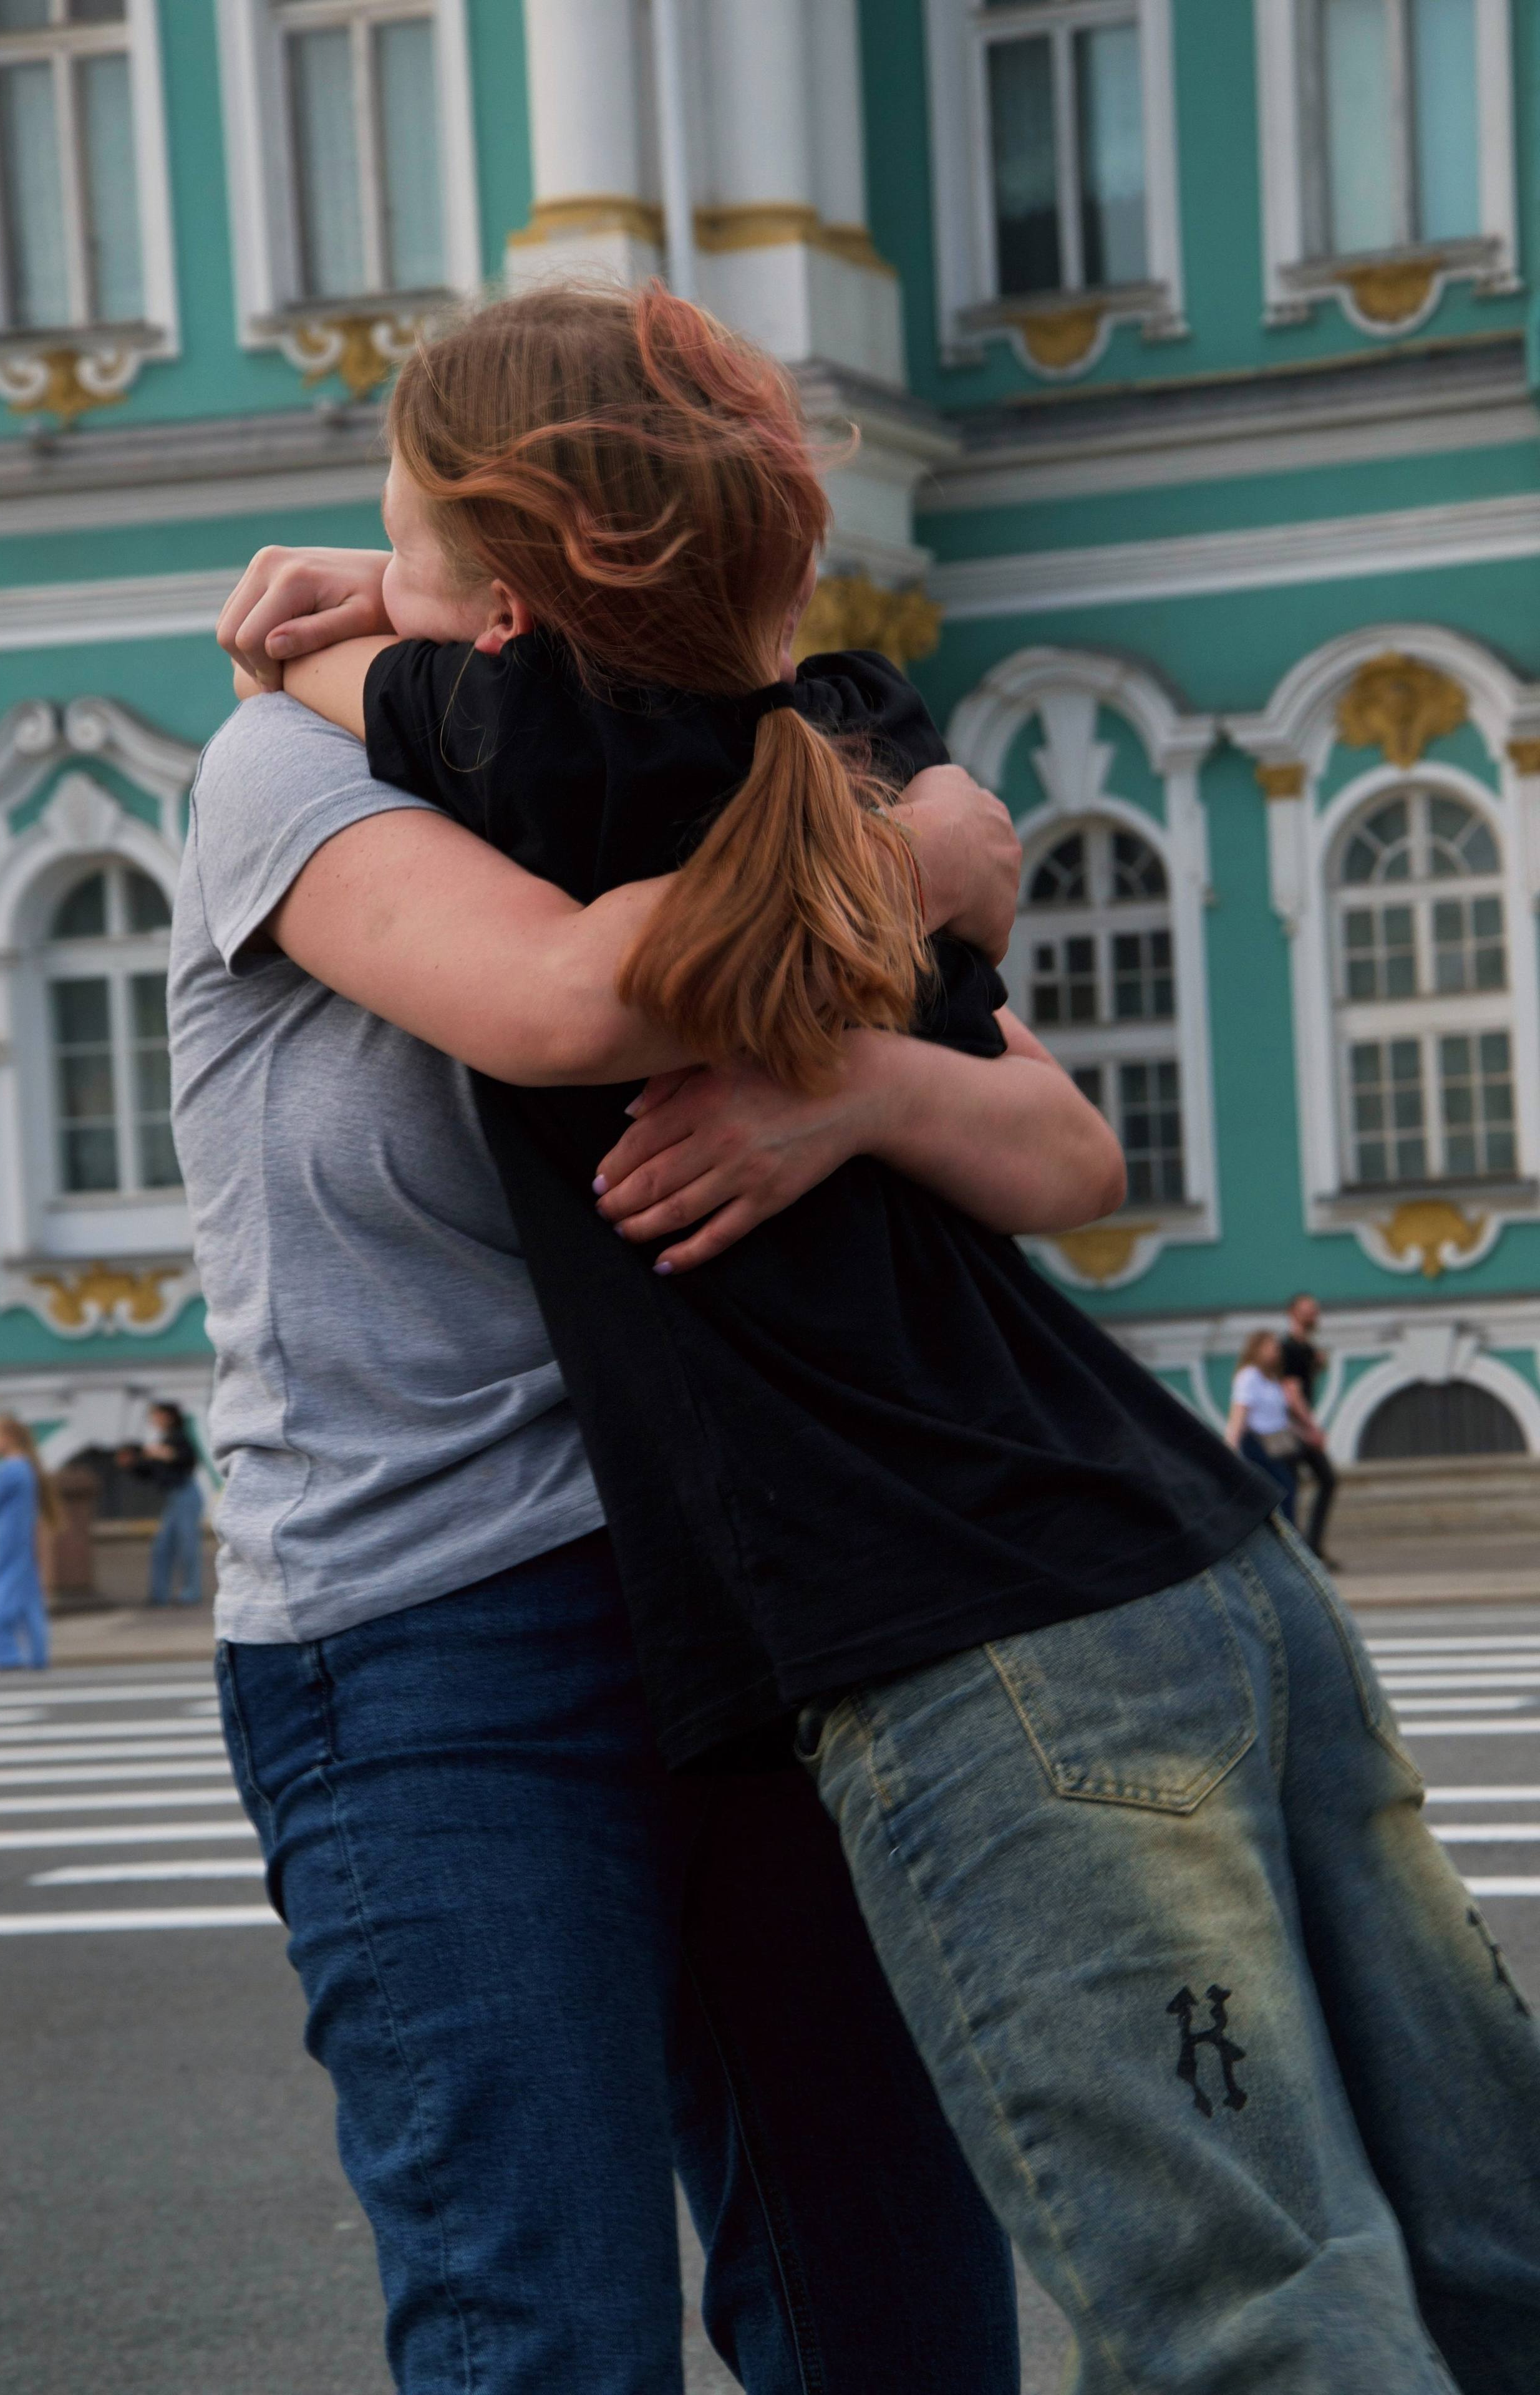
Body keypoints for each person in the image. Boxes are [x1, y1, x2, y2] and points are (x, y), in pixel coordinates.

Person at [221, 283, 1540, 2394]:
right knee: (1477, 2229)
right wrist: (901, 870)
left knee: (1235, 2305)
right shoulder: (838, 744)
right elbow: (888, 992)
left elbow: (605, 1002)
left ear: (509, 594)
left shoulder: (535, 746)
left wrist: (853, 1075)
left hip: (947, 1621)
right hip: (1156, 1545)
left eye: (409, 529)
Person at [177, 650, 1035, 2388]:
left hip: (774, 1592)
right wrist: (916, 848)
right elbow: (568, 999)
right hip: (434, 1633)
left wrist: (870, 1079)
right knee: (549, 2334)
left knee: (904, 2319)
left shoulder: (718, 765)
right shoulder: (286, 765)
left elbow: (1054, 1130)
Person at [0, 1415, 53, 1672]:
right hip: (21, 1541)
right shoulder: (27, 1467)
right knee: (27, 1598)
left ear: (7, 1438)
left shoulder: (6, 1470)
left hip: (3, 1541)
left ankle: (2, 1655)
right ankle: (37, 1654)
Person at [115, 1401, 203, 1606]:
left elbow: (187, 1459)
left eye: (157, 1415)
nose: (154, 1420)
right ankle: (160, 1593)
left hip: (186, 1494)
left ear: (168, 1417)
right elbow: (150, 1471)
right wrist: (132, 1464)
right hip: (173, 1497)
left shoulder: (178, 1437)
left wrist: (161, 1453)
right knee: (162, 1546)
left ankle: (191, 1591)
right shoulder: (162, 1441)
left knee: (187, 1546)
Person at [1282, 1291, 1340, 1565]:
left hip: (1298, 1426)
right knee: (1296, 1485)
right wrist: (1311, 1428)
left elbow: (1304, 1385)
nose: (1312, 1315)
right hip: (1290, 1428)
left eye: (1314, 1310)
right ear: (1292, 1314)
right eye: (1306, 1310)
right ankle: (1300, 1551)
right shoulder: (1290, 1348)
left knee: (1323, 1481)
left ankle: (1311, 1547)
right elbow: (1292, 1393)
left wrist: (1317, 1364)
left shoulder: (1305, 1349)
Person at [1224, 1328, 1300, 1521]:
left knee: (1287, 1489)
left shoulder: (1272, 1378)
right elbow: (1238, 1415)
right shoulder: (1249, 1377)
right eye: (1271, 1346)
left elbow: (1279, 1414)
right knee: (1284, 1490)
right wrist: (1229, 1449)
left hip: (1278, 1443)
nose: (1277, 1350)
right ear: (1257, 1349)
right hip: (1258, 1444)